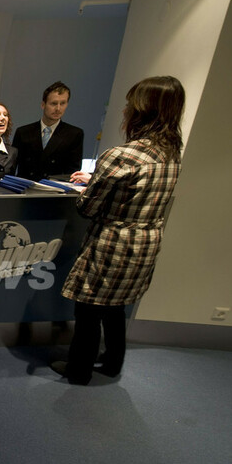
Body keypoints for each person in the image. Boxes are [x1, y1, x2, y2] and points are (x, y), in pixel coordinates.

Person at [51, 75, 185, 385]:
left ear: (143, 110)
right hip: (146, 244)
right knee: (116, 307)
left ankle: (79, 370)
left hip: (112, 244)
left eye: (129, 104)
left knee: (88, 309)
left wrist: (93, 185)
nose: (125, 110)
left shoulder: (121, 156)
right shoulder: (171, 154)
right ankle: (112, 362)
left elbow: (88, 208)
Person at [12, 81, 84, 181]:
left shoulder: (74, 134)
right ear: (43, 104)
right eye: (53, 103)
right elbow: (12, 166)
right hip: (25, 187)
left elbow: (72, 172)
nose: (58, 108)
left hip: (54, 187)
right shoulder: (23, 132)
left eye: (62, 103)